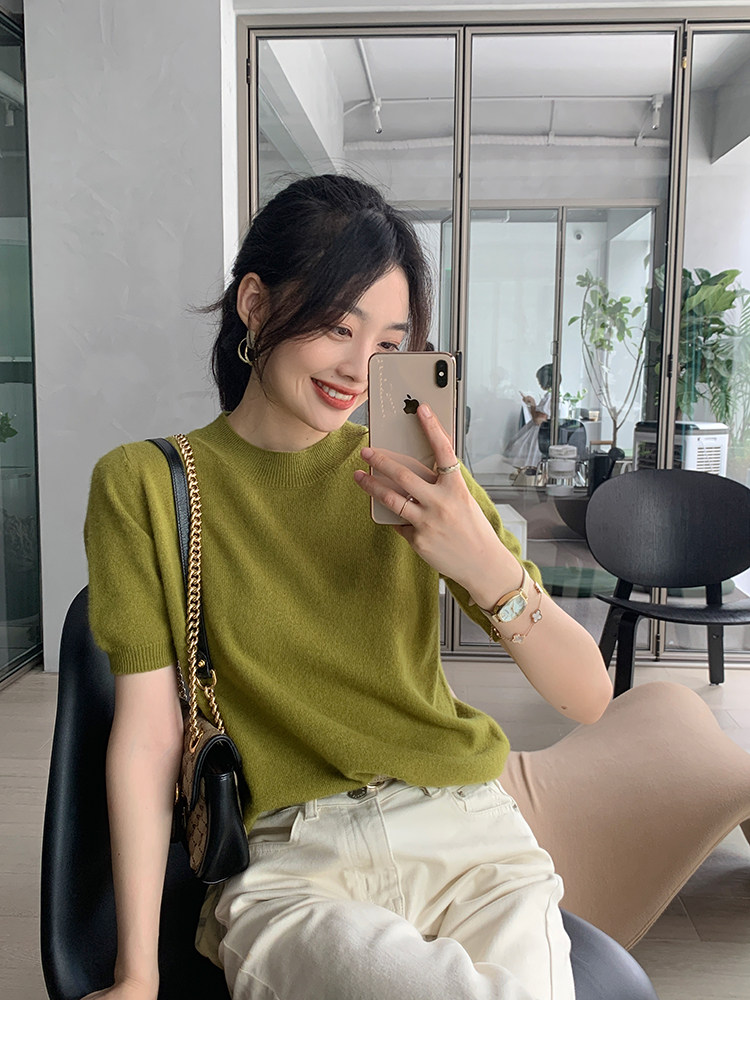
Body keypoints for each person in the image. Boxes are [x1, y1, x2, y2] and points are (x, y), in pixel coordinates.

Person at [82, 174, 613, 1000]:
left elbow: (587, 696)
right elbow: (150, 737)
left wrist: (484, 562)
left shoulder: (421, 480)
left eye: (389, 341)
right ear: (254, 305)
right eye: (338, 326)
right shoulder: (145, 485)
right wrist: (137, 978)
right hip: (295, 862)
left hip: (468, 837)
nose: (360, 368)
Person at [504, 363, 553, 470]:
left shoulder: (551, 397)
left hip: (539, 434)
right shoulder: (553, 395)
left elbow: (538, 420)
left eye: (540, 380)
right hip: (542, 432)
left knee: (526, 461)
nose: (539, 383)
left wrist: (532, 405)